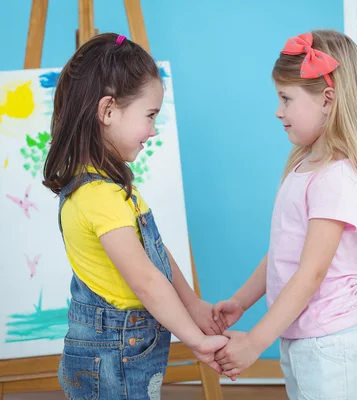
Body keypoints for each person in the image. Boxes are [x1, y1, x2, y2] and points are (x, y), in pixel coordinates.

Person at [42, 33, 228, 400]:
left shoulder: (112, 186)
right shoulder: (98, 196)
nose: (154, 129)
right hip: (113, 351)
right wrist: (196, 340)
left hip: (128, 344)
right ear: (108, 111)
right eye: (150, 115)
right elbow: (145, 280)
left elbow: (154, 254)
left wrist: (193, 306)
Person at [212, 30, 357, 399]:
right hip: (306, 341)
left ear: (328, 100)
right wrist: (241, 302)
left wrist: (254, 342)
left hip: (332, 347)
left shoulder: (337, 178)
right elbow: (284, 253)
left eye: (286, 98)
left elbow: (311, 274)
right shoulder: (305, 167)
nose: (278, 111)